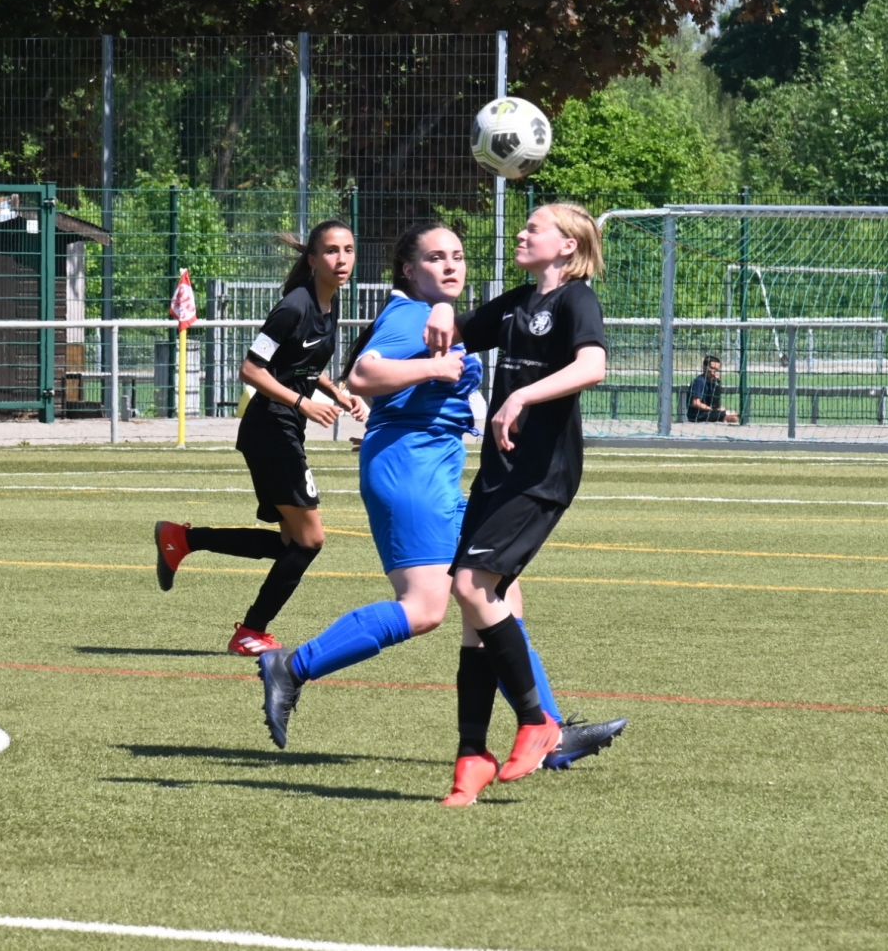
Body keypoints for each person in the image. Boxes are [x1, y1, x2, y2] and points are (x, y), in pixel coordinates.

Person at [257, 224, 626, 771]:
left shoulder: (435, 314)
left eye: (457, 255)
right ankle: (292, 666)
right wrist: (433, 367)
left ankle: (549, 732)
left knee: (498, 597)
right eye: (435, 258)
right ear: (409, 269)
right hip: (409, 469)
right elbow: (364, 373)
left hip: (436, 469)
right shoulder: (411, 314)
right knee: (425, 607)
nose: (451, 265)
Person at [424, 202, 610, 807]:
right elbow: (453, 332)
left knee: (471, 588)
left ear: (567, 245)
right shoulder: (518, 303)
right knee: (476, 618)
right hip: (498, 475)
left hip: (540, 475)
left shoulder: (575, 299)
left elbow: (593, 365)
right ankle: (471, 756)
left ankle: (537, 721)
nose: (523, 234)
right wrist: (441, 305)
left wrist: (521, 396)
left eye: (535, 228)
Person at [153, 220, 369, 655]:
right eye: (331, 251)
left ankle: (183, 539)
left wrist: (337, 394)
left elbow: (302, 364)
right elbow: (251, 370)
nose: (341, 259)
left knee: (292, 543)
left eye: (347, 250)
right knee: (310, 540)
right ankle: (250, 630)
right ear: (313, 259)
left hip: (282, 428)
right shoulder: (294, 306)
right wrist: (303, 403)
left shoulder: (329, 304)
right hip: (270, 428)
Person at [687, 354, 738, 423]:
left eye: (717, 369)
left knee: (733, 417)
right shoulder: (700, 381)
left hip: (708, 413)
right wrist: (713, 410)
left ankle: (723, 422)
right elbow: (696, 403)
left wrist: (717, 385)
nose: (715, 372)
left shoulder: (712, 382)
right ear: (705, 368)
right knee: (731, 414)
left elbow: (714, 403)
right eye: (712, 368)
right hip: (698, 415)